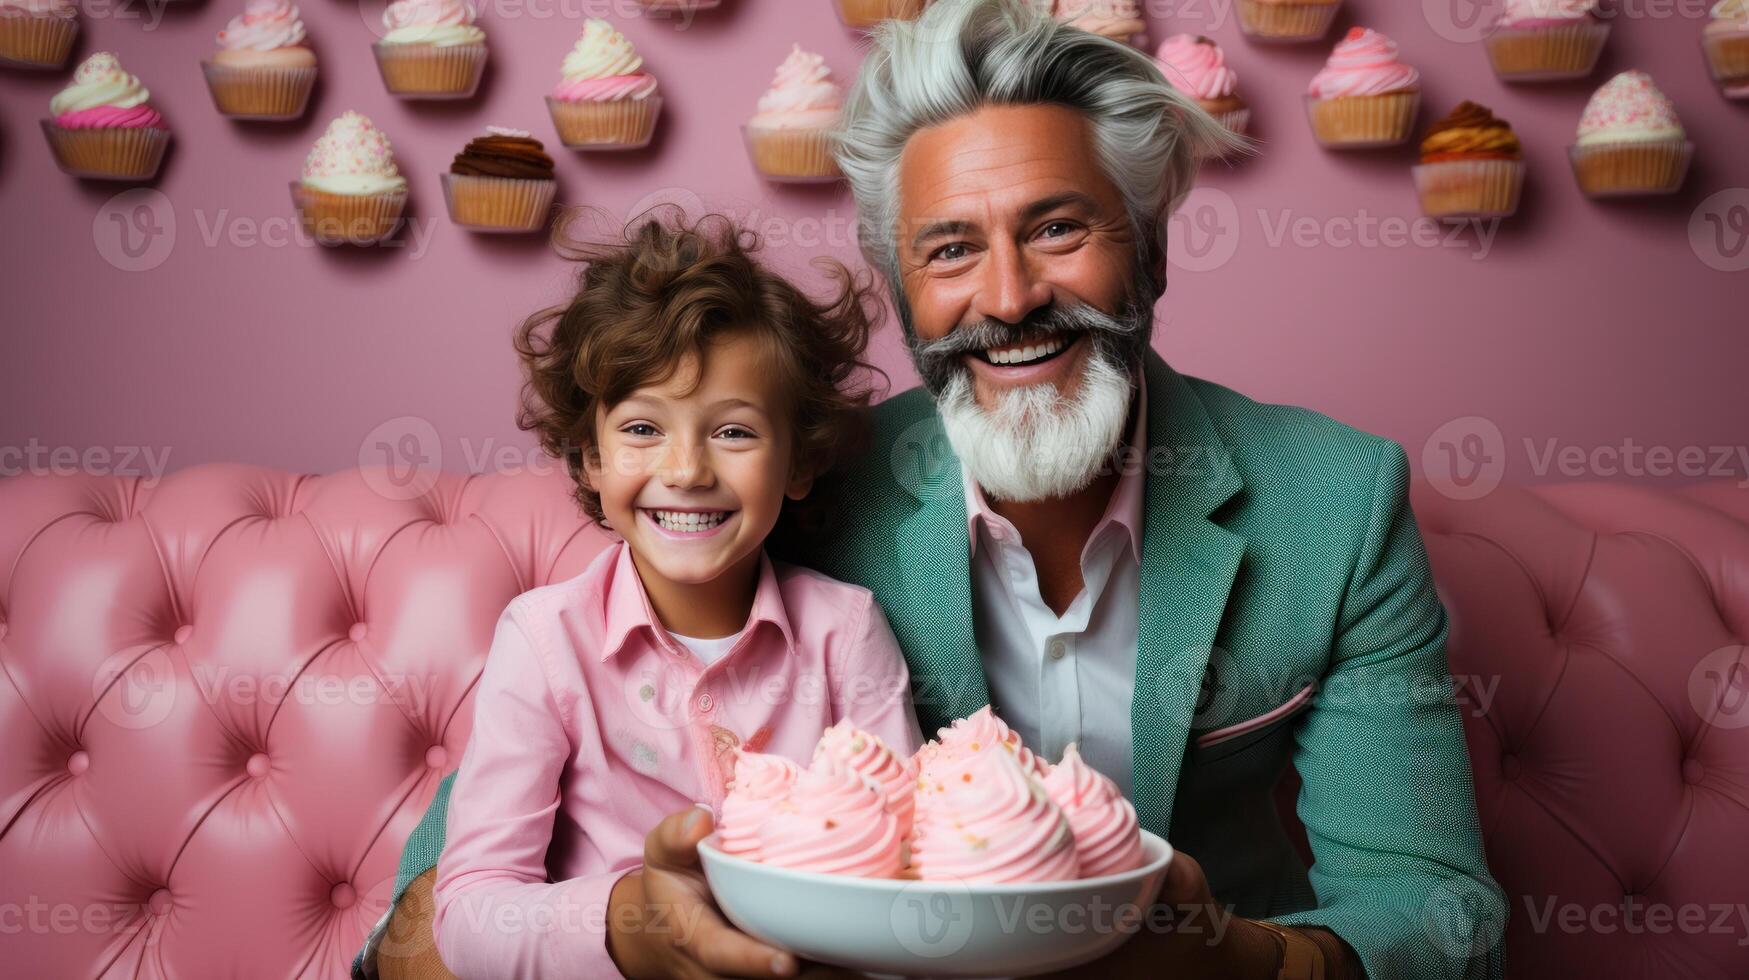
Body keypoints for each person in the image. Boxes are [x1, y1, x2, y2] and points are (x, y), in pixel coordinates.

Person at [363, 2, 1506, 978]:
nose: (1008, 297)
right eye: (950, 249)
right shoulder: (794, 481)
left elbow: (1440, 911)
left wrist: (1237, 961)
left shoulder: (1338, 501)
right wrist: (616, 924)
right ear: (900, 288)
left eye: (1058, 227)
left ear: (1149, 246)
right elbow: (436, 900)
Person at [370, 213, 922, 980]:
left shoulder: (847, 631)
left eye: (733, 433)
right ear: (591, 459)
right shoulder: (543, 640)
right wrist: (629, 925)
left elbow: (907, 864)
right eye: (641, 429)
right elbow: (470, 916)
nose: (687, 468)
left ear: (797, 463)